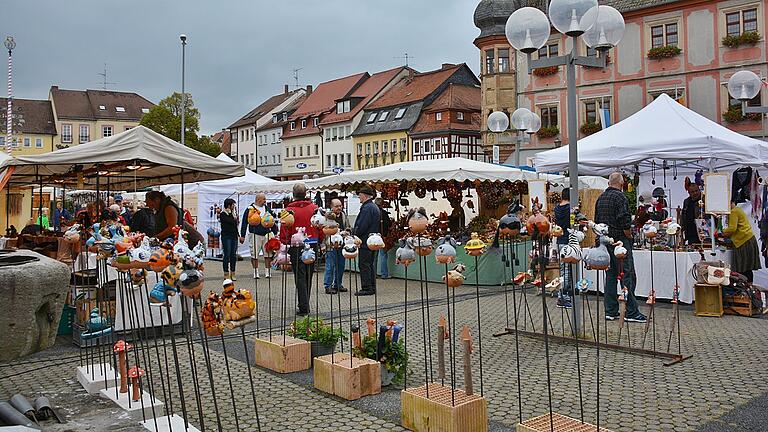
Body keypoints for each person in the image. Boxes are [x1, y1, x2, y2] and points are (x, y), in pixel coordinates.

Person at [595, 172, 647, 323]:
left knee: (610, 276)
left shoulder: (600, 198)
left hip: (605, 242)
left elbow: (597, 222)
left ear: (609, 182)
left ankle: (610, 311)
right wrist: (629, 236)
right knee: (626, 276)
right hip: (620, 243)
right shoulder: (621, 197)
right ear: (621, 183)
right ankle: (631, 311)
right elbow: (624, 221)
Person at [279, 183, 320, 316]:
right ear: (306, 194)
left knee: (300, 276)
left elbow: (284, 230)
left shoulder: (289, 211)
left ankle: (303, 306)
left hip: (296, 246)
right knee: (309, 275)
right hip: (312, 244)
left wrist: (284, 243)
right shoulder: (315, 209)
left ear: (293, 194)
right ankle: (305, 302)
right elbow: (321, 225)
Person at [240, 193, 278, 279]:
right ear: (258, 200)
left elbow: (272, 221)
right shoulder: (250, 209)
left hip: (266, 234)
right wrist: (242, 235)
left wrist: (275, 232)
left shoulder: (267, 208)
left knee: (268, 253)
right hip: (254, 234)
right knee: (254, 254)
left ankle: (267, 272)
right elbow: (244, 222)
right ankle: (255, 272)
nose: (265, 201)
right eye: (263, 199)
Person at [723, 200, 761, 282]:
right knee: (747, 268)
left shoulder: (734, 211)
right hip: (748, 239)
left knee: (742, 268)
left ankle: (745, 288)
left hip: (743, 241)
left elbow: (732, 228)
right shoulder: (738, 209)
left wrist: (721, 232)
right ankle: (749, 287)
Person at [354, 185, 381, 296]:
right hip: (372, 240)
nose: (359, 198)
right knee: (370, 265)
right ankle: (372, 287)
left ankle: (367, 288)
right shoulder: (374, 207)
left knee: (364, 264)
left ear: (364, 196)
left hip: (365, 241)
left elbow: (362, 226)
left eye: (360, 195)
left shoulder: (367, 208)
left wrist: (354, 232)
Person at [324, 198, 348, 294]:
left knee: (341, 265)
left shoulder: (343, 215)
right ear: (331, 207)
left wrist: (346, 232)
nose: (339, 208)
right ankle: (328, 286)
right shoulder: (327, 216)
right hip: (330, 245)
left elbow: (348, 226)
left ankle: (338, 284)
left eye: (340, 206)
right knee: (330, 265)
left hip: (341, 244)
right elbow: (325, 230)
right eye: (336, 206)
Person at [553, 188, 572, 308]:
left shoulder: (557, 207)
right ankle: (563, 297)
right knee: (566, 270)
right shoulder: (570, 208)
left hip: (560, 240)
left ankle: (564, 295)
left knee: (563, 268)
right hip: (568, 240)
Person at [218, 198, 239, 280]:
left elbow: (235, 225)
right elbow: (230, 222)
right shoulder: (223, 214)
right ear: (229, 205)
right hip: (226, 237)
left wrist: (238, 235)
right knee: (227, 254)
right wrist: (231, 216)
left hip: (234, 236)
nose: (234, 206)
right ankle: (226, 273)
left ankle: (233, 272)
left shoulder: (233, 214)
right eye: (233, 204)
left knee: (233, 255)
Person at [376, 198, 392, 279]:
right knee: (383, 255)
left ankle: (373, 274)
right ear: (382, 204)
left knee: (374, 256)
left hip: (373, 236)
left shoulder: (372, 212)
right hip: (382, 236)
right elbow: (388, 224)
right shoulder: (383, 213)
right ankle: (384, 274)